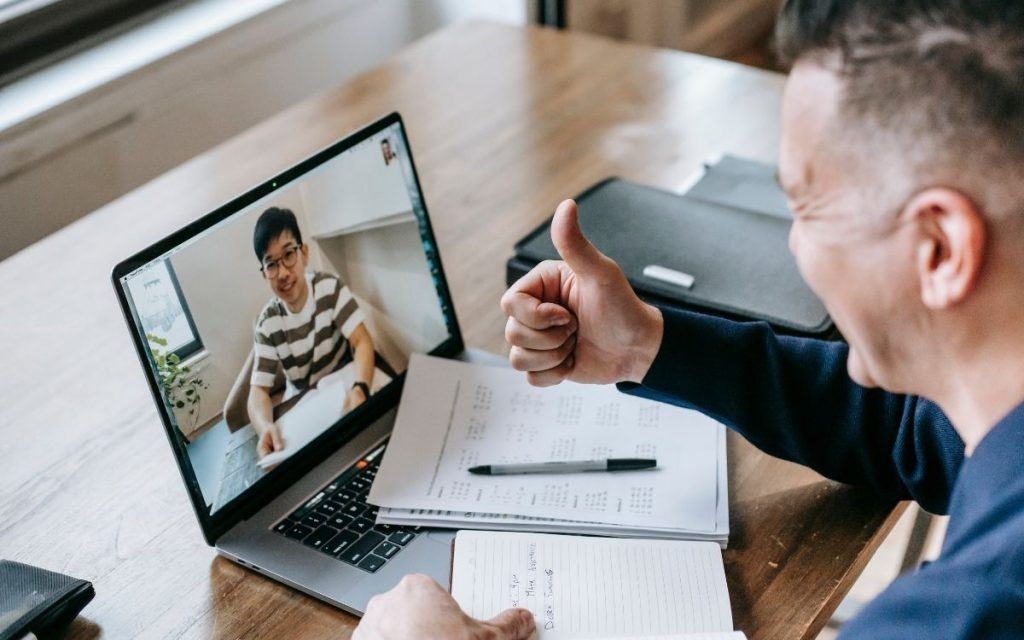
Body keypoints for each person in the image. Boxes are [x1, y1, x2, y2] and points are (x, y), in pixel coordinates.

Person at [354, 0, 1024, 637]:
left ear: (940, 248)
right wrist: (646, 345)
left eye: (808, 209)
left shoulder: (967, 613)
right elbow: (907, 426)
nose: (794, 245)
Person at [248, 207, 376, 458]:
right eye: (271, 264)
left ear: (304, 253)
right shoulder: (267, 324)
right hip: (303, 405)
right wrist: (265, 427)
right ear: (265, 275)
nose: (283, 272)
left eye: (288, 254)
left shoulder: (330, 287)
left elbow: (362, 341)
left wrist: (360, 388)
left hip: (344, 383)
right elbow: (257, 391)